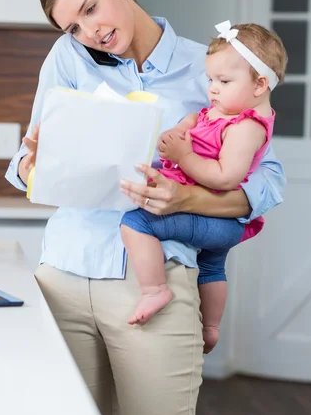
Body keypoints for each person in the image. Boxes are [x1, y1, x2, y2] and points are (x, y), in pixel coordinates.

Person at [5, 0, 285, 415]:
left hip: (155, 283)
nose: (88, 31)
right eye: (72, 26)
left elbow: (268, 180)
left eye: (90, 9)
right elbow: (23, 160)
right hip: (63, 275)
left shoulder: (214, 67)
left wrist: (186, 197)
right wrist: (34, 164)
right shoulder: (67, 60)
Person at [121, 22, 287, 353]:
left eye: (223, 81)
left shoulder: (247, 129)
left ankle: (155, 289)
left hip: (218, 219)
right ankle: (210, 328)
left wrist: (183, 156)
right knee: (211, 267)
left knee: (136, 222)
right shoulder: (225, 110)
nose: (212, 88)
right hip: (215, 221)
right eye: (210, 80)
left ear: (260, 84)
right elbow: (197, 119)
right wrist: (181, 129)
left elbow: (226, 177)